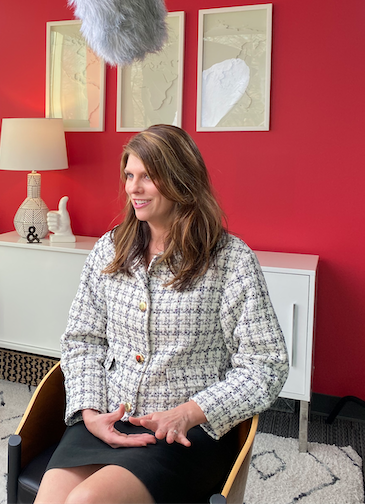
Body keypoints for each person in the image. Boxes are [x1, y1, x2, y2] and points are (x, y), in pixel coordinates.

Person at [35, 125, 288, 504]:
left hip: (185, 433)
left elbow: (265, 365)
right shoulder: (110, 248)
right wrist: (90, 412)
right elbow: (82, 339)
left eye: (148, 177)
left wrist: (189, 412)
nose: (133, 188)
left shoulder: (230, 260)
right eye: (129, 175)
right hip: (107, 417)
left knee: (84, 502)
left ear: (181, 180)